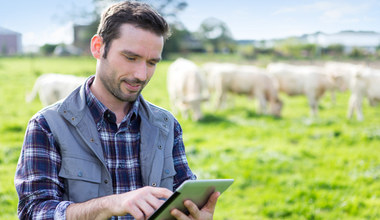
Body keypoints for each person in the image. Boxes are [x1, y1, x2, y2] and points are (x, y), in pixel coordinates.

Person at [14, 1, 220, 219]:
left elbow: (181, 200)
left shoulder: (168, 125)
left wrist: (195, 215)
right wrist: (110, 204)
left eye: (152, 62)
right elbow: (33, 211)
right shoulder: (47, 126)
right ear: (98, 47)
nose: (141, 74)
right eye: (130, 58)